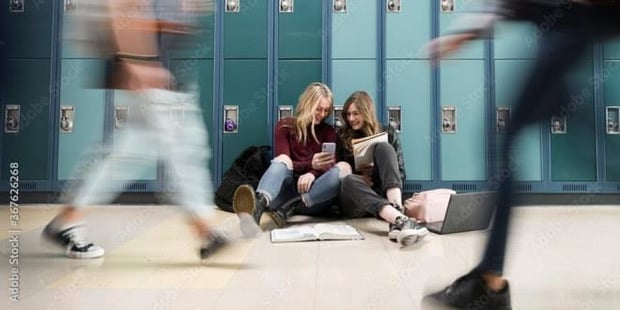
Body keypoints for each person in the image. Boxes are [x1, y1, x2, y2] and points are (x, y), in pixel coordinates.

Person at [425, 1, 620, 309]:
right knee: (587, 141)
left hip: (570, 27)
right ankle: (489, 279)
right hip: (564, 27)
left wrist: (469, 30)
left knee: (505, 139)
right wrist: (470, 30)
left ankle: (490, 281)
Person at [42, 0, 255, 260]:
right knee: (182, 151)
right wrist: (138, 62)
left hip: (163, 70)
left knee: (130, 154)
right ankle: (205, 232)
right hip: (152, 72)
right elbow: (121, 6)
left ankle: (66, 220)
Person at [233, 82, 349, 232]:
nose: (322, 115)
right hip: (283, 196)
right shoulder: (285, 127)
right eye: (318, 109)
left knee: (343, 167)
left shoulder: (329, 132)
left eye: (326, 110)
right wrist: (310, 164)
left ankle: (294, 206)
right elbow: (284, 162)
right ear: (308, 104)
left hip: (313, 199)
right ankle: (257, 208)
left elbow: (328, 165)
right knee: (283, 160)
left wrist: (312, 173)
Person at [336, 91, 428, 247]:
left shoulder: (387, 132)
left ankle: (396, 217)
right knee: (348, 180)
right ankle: (401, 219)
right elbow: (336, 173)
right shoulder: (342, 136)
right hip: (354, 200)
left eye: (356, 113)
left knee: (384, 148)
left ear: (367, 112)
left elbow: (400, 173)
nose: (351, 119)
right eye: (348, 114)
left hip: (381, 195)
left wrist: (375, 172)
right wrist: (357, 175)